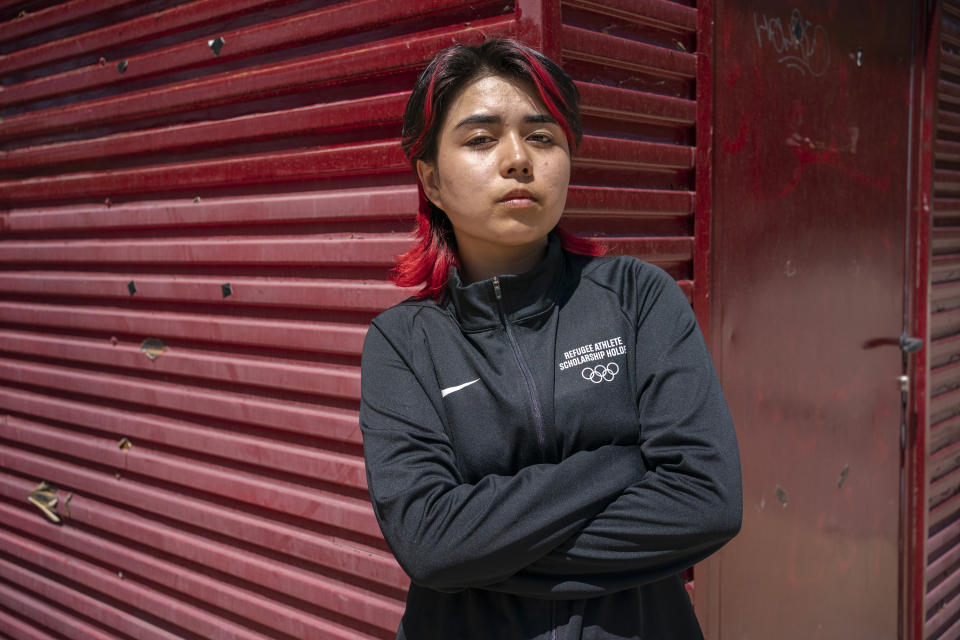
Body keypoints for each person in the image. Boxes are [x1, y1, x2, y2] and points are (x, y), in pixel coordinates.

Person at [358, 38, 742, 640]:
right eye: (482, 139)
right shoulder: (403, 342)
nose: (518, 159)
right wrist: (621, 464)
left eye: (542, 137)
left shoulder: (638, 297)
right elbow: (428, 544)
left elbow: (707, 501)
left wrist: (480, 554)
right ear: (430, 180)